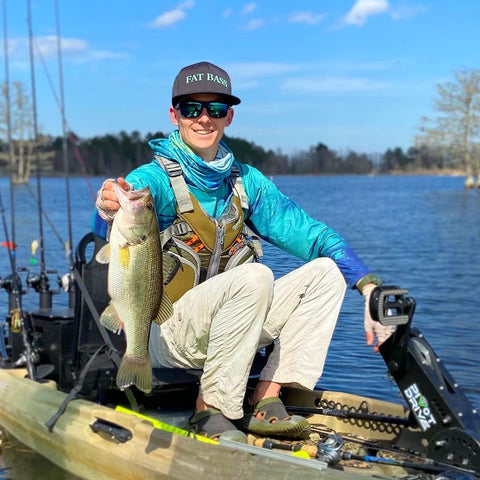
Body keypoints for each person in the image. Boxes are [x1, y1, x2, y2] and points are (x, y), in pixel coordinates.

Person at [93, 61, 394, 442]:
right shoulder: (152, 181)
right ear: (175, 115)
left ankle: (267, 397)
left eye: (216, 109)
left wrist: (367, 287)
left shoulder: (246, 182)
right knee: (256, 275)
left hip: (235, 328)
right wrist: (106, 206)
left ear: (229, 117)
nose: (204, 119)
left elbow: (313, 235)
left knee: (327, 272)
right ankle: (211, 409)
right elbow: (112, 216)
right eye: (192, 109)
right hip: (169, 331)